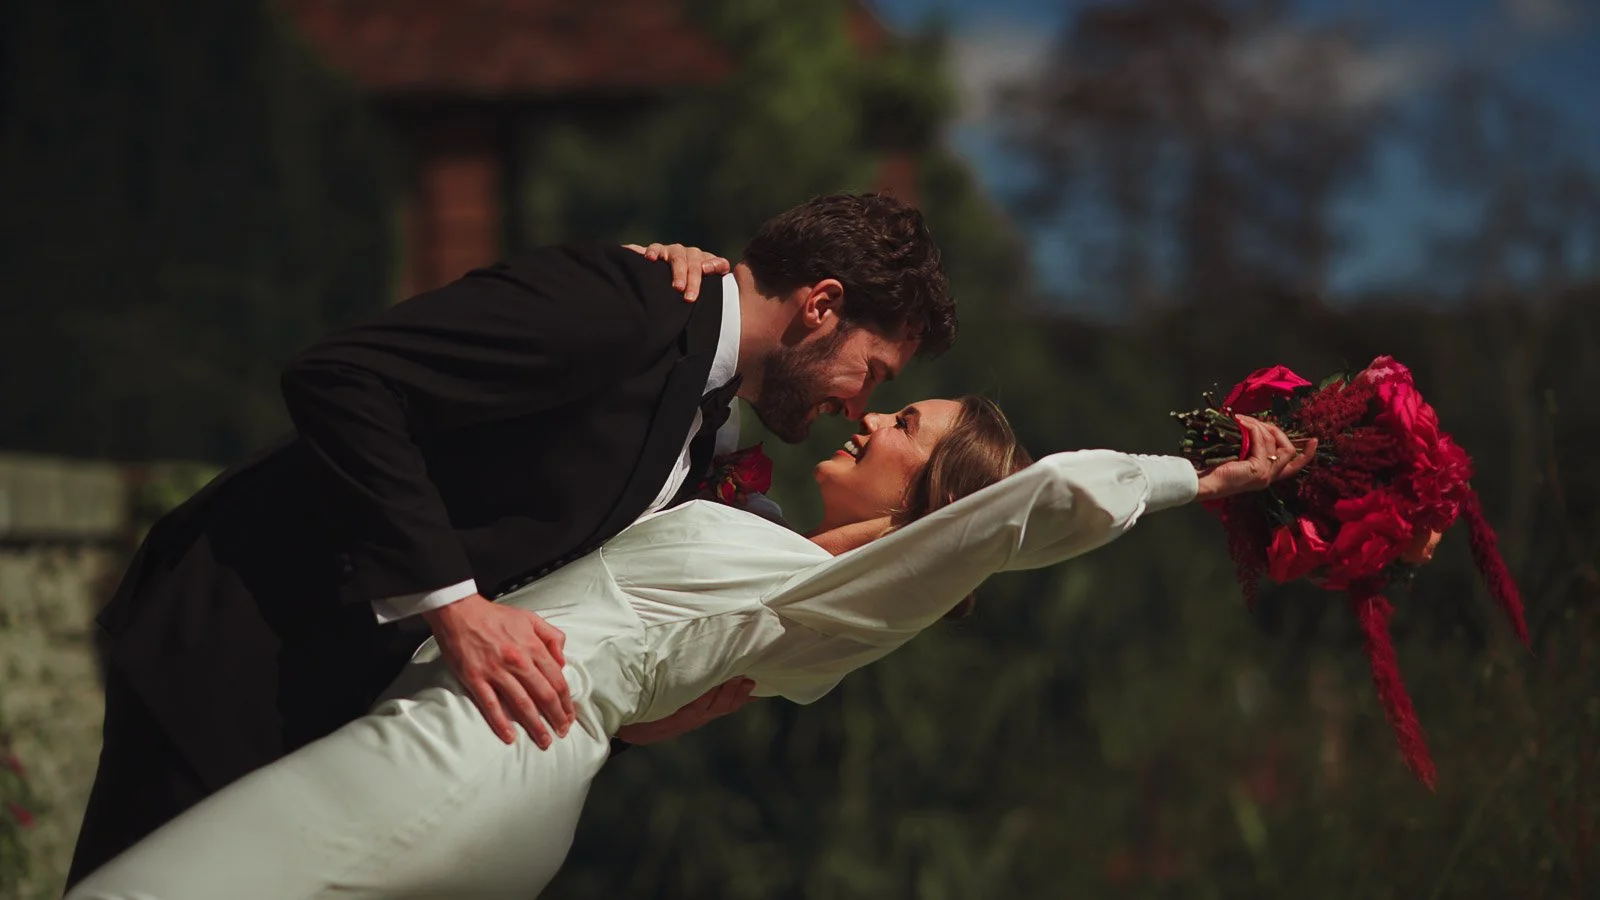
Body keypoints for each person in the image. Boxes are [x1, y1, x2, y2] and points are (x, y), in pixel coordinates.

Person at [67, 399, 1313, 899]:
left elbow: (1045, 501)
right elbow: (661, 712)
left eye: (906, 424)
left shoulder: (863, 589)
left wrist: (1200, 478)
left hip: (468, 754)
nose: (874, 413)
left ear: (938, 497)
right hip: (514, 771)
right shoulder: (800, 591)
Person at [68, 193, 955, 887]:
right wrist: (454, 605)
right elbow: (343, 379)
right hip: (238, 640)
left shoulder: (700, 406)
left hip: (333, 698)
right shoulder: (625, 304)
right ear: (821, 304)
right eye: (871, 371)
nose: (856, 401)